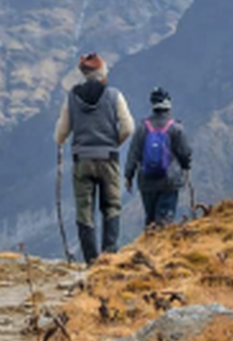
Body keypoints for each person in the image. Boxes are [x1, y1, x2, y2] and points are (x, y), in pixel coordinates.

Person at [54, 53, 134, 264]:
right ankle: (109, 257)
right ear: (102, 74)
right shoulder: (114, 95)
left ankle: (90, 259)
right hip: (108, 158)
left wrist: (62, 141)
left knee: (84, 210)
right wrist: (113, 144)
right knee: (111, 207)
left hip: (82, 160)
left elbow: (61, 132)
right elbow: (128, 128)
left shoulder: (72, 96)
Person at [125, 87, 193, 227]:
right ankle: (160, 247)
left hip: (147, 182)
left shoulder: (142, 128)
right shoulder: (176, 128)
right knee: (164, 222)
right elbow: (185, 153)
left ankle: (148, 246)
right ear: (168, 105)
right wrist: (186, 167)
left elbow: (133, 154)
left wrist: (128, 176)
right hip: (170, 181)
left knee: (150, 221)